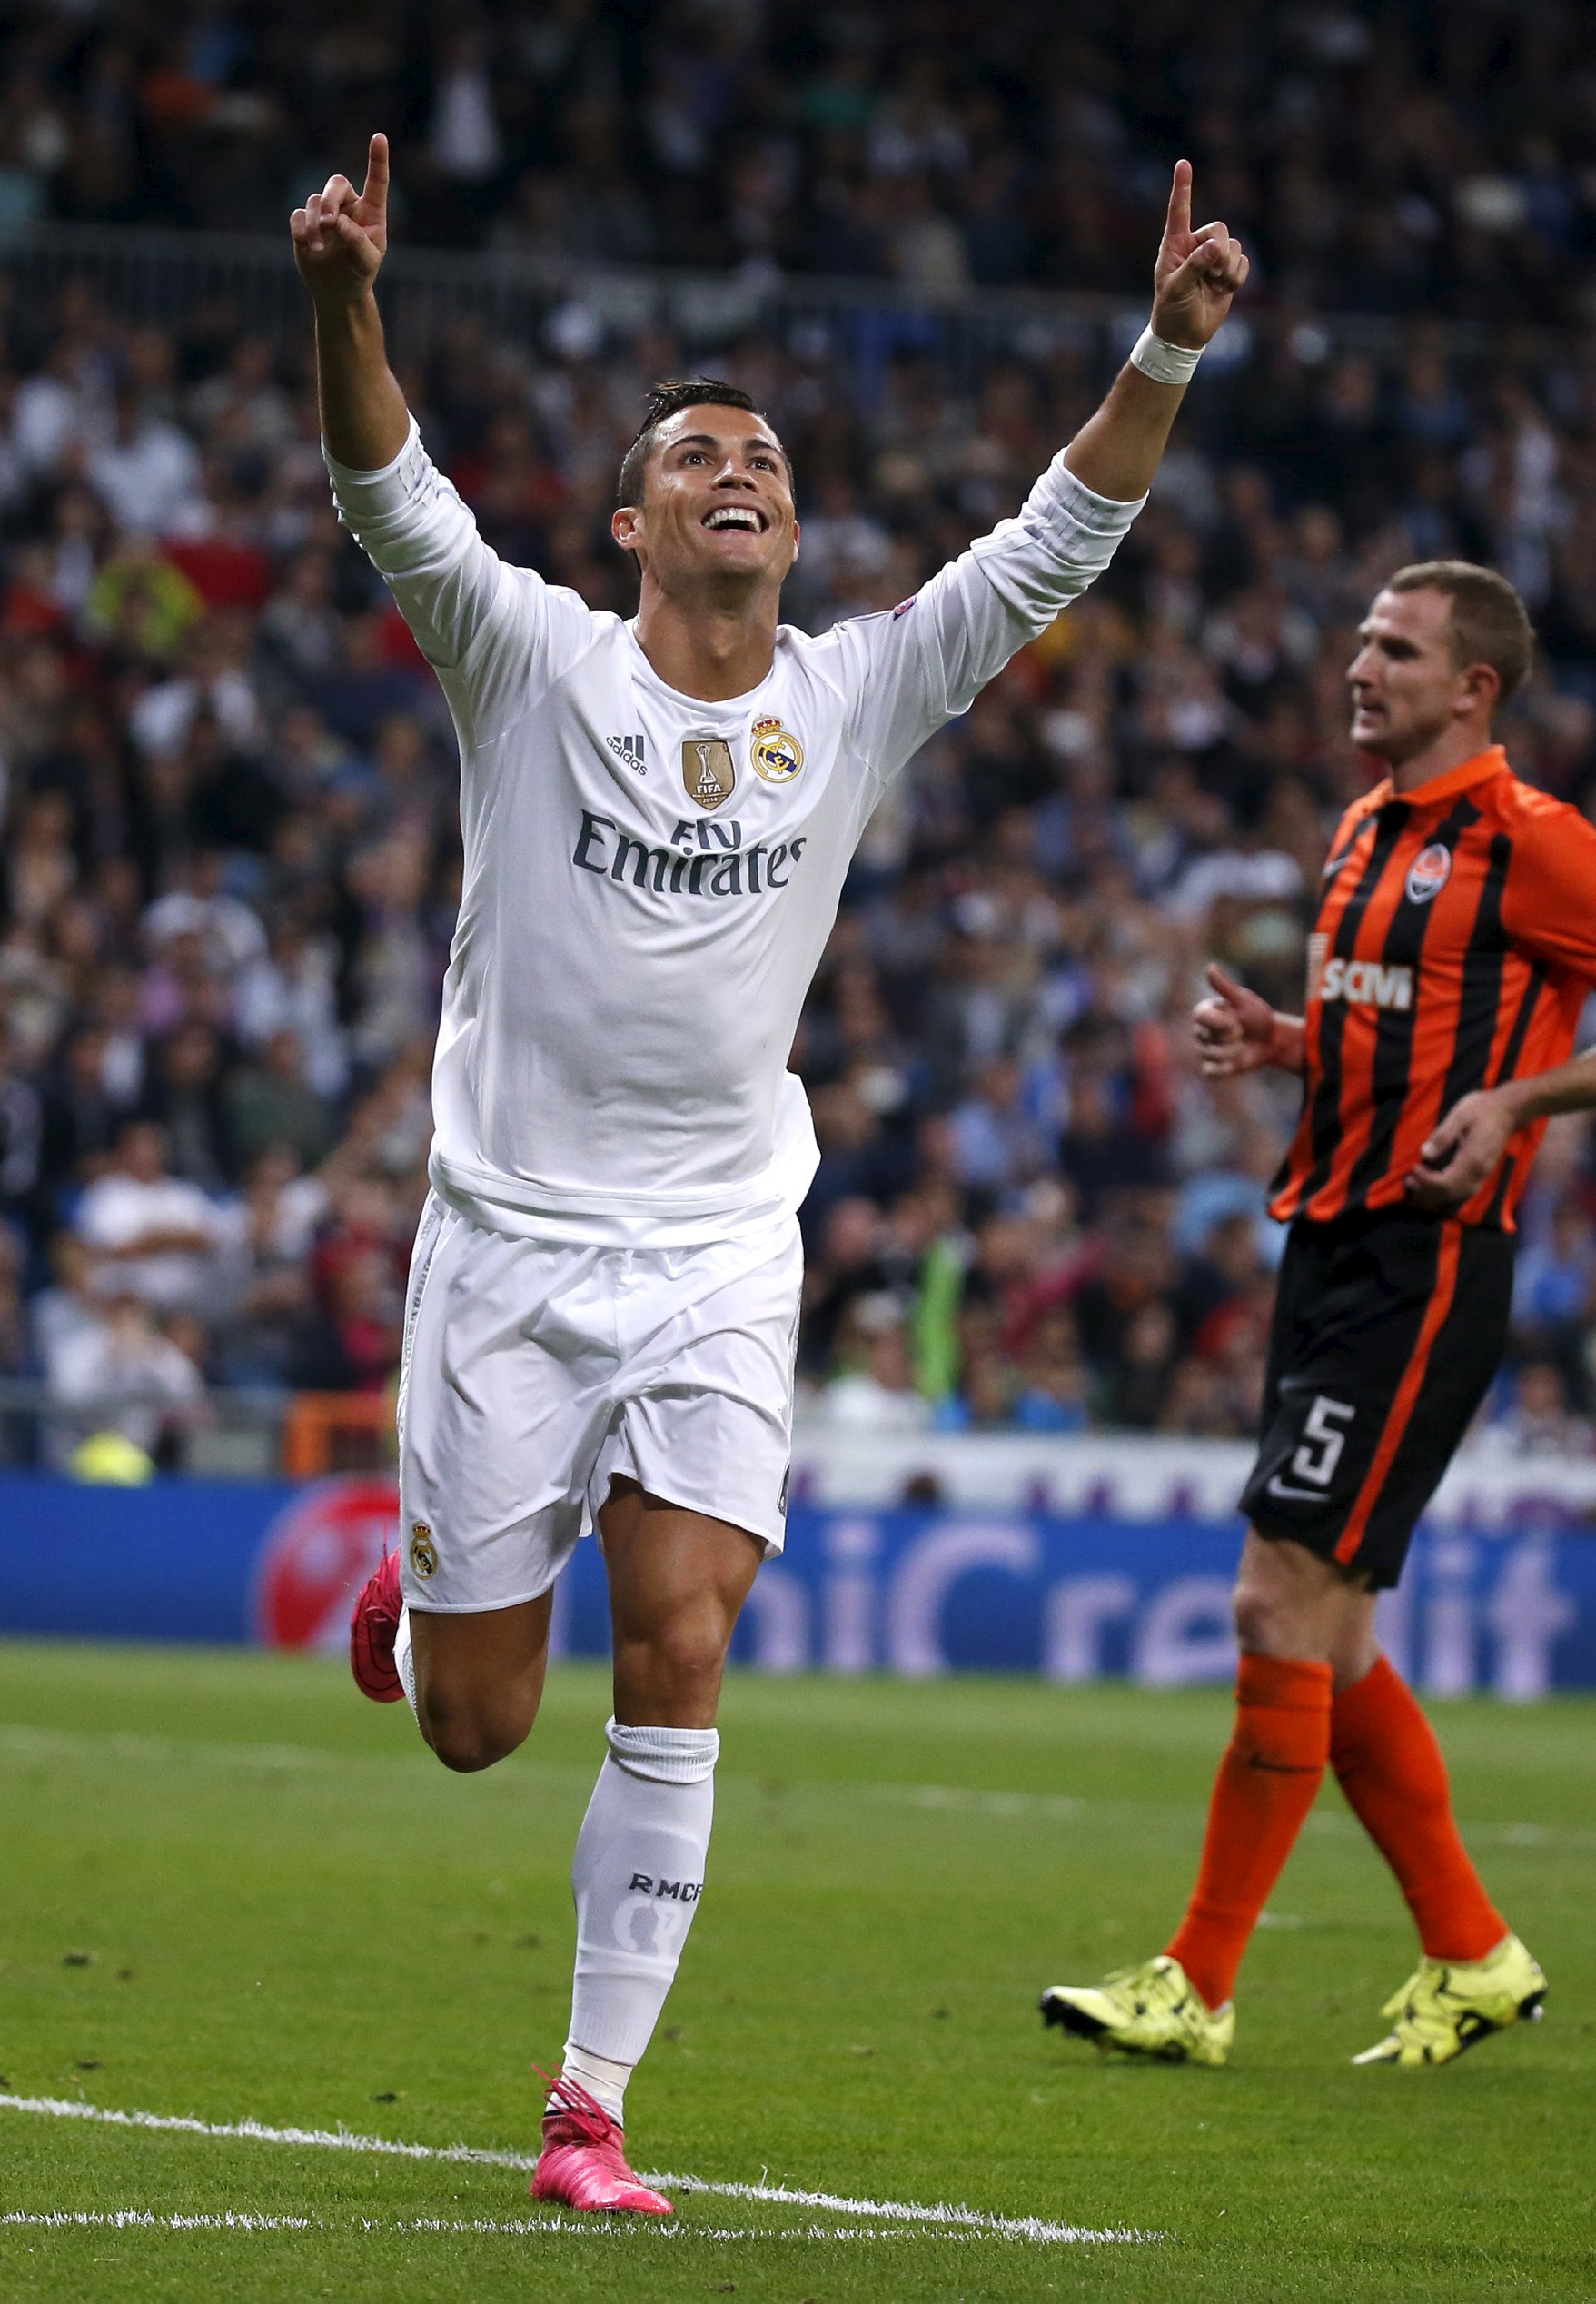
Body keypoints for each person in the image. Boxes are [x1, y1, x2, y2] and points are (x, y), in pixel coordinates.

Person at [295, 133, 1244, 2212]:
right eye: (697, 455)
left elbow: (1055, 543)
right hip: (512, 1238)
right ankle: (433, 1585)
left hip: (726, 1240)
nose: (739, 472)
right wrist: (347, 299)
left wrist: (1163, 349)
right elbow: (387, 490)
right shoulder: (529, 658)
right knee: (473, 1723)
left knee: (683, 1643)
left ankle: (588, 2107)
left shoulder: (855, 690)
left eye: (767, 462)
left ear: (791, 532)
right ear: (631, 520)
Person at [1038, 561, 1596, 2072]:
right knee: (1332, 1641)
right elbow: (1393, 1042)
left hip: (1427, 1264)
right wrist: (1290, 1041)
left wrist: (1523, 1103)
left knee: (1273, 1604)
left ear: (1475, 689)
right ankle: (1473, 1953)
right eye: (1361, 637)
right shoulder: (1361, 830)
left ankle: (1197, 1981)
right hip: (1326, 1245)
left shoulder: (1537, 842)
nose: (1361, 664)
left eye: (1398, 649)